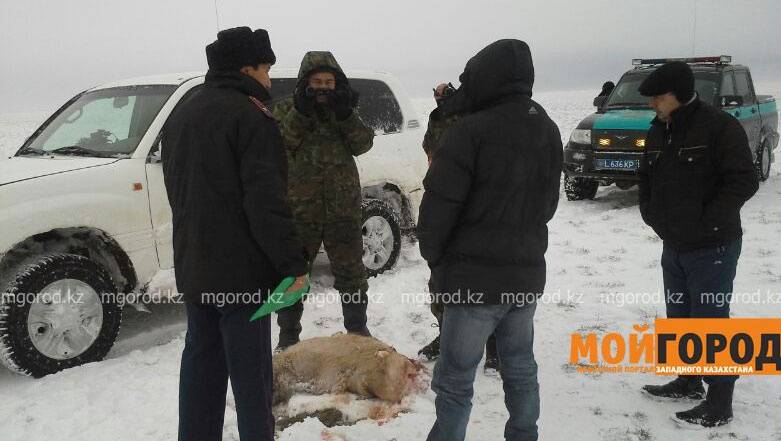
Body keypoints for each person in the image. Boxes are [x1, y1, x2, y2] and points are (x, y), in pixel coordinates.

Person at [162, 27, 308, 441]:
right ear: (247, 68)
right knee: (252, 380)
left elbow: (180, 191)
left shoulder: (184, 112)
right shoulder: (251, 115)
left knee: (201, 370)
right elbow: (266, 204)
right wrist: (292, 264)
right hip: (242, 279)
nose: (269, 78)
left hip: (195, 268)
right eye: (265, 68)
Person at [418, 39, 563, 441]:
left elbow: (437, 210)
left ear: (486, 78)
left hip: (473, 284)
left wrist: (436, 258)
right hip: (525, 278)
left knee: (455, 380)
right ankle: (523, 434)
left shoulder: (471, 131)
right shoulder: (547, 128)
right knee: (520, 368)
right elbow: (548, 205)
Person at [637, 61, 758, 427]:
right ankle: (688, 380)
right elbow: (646, 176)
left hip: (713, 247)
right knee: (679, 317)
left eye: (658, 97)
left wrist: (707, 222)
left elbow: (744, 181)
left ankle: (720, 404)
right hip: (673, 245)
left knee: (710, 322)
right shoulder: (659, 129)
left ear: (681, 93)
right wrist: (651, 214)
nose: (652, 104)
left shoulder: (719, 127)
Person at [272, 51, 375, 351]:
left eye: (329, 82)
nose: (322, 88)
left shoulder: (344, 110)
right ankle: (288, 336)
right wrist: (301, 114)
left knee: (352, 273)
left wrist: (345, 114)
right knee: (292, 276)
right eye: (316, 81)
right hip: (299, 211)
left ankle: (358, 331)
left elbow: (363, 144)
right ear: (304, 82)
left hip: (342, 209)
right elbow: (280, 143)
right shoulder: (285, 109)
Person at [418, 82, 500, 375]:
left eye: (446, 95)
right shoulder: (436, 118)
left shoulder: (474, 119)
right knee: (440, 281)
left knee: (482, 281)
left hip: (475, 209)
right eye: (438, 96)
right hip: (444, 203)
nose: (442, 100)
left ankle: (494, 348)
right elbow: (429, 146)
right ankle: (446, 336)